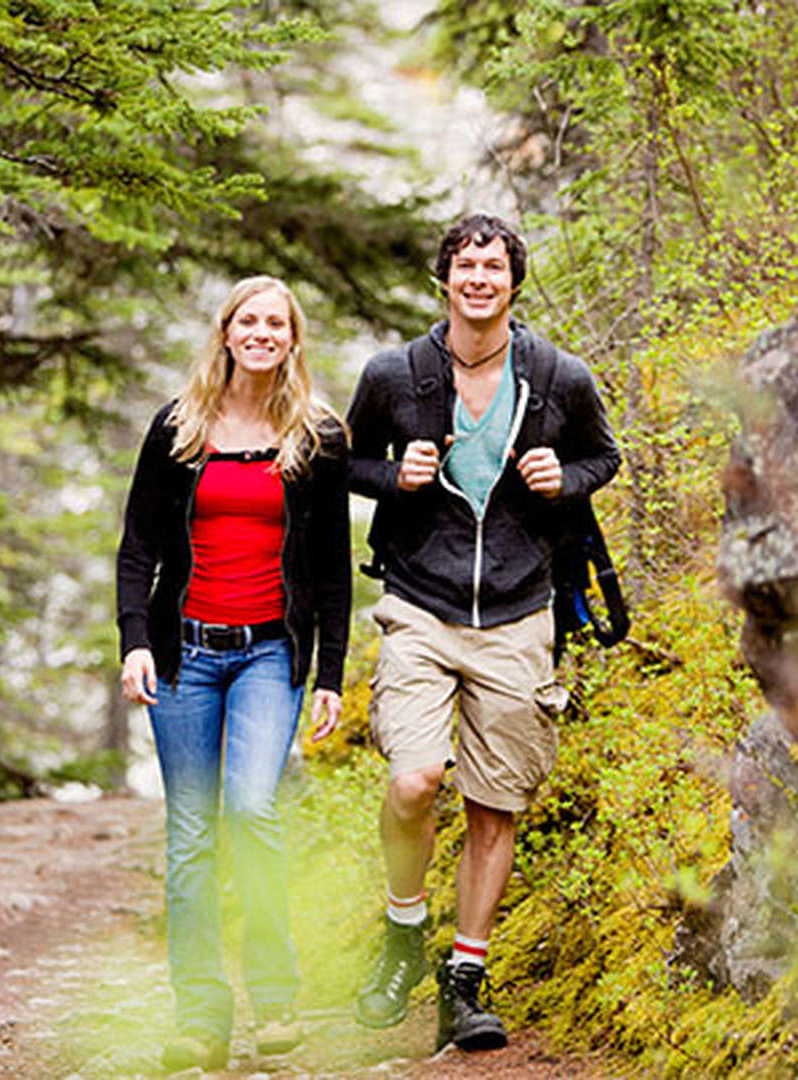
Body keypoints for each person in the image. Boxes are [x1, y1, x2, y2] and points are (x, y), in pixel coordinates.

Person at [345, 214, 619, 1052]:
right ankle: (402, 930)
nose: (478, 279)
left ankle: (464, 976)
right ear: (444, 279)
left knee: (494, 804)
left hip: (519, 610)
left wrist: (563, 479)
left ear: (513, 281)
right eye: (465, 265)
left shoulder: (558, 375)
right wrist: (395, 477)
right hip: (419, 605)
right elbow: (345, 462)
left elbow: (603, 457)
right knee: (415, 780)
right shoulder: (397, 372)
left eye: (493, 266)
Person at [116, 276, 352, 1071]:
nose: (260, 333)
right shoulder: (178, 429)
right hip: (183, 652)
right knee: (190, 836)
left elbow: (330, 571)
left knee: (250, 811)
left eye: (274, 323)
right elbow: (138, 546)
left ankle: (276, 999)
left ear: (292, 338)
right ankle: (201, 1019)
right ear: (225, 333)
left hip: (268, 654)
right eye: (247, 320)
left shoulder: (316, 436)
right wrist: (133, 641)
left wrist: (330, 675)